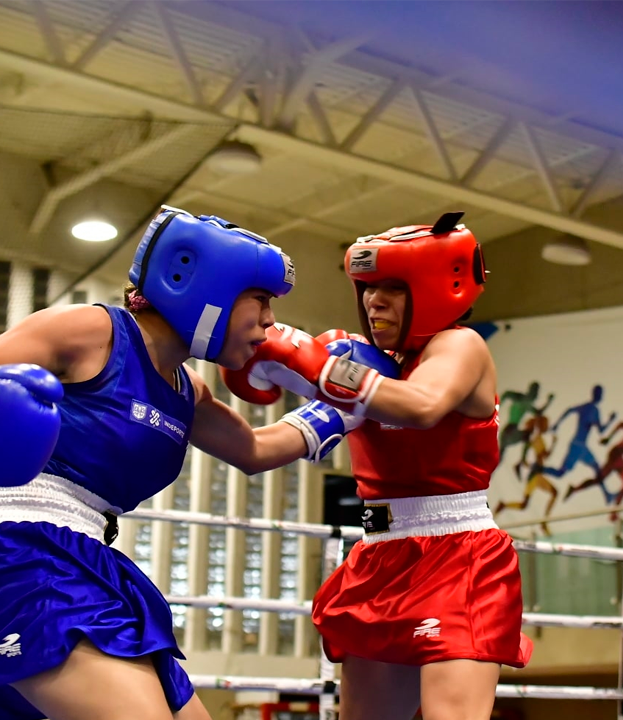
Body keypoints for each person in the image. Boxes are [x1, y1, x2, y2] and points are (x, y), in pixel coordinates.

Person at [0, 208, 397, 720]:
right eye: (259, 300)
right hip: (21, 554)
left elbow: (255, 450)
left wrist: (348, 400)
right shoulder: (94, 330)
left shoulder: (187, 391)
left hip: (94, 563)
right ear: (208, 285)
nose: (270, 322)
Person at [224, 212, 531, 720]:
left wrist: (318, 366)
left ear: (437, 288)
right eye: (367, 287)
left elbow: (422, 405)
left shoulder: (459, 346)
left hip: (458, 555)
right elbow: (256, 452)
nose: (374, 300)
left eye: (393, 287)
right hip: (379, 559)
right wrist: (178, 395)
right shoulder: (366, 372)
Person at [493, 415, 560, 535]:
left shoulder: (533, 440)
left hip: (534, 474)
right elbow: (544, 455)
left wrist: (526, 463)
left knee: (524, 504)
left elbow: (526, 458)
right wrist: (554, 444)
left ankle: (504, 505)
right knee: (554, 492)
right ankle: (544, 523)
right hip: (536, 474)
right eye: (545, 424)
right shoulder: (537, 439)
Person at [543, 384, 616, 480]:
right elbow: (601, 430)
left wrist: (557, 424)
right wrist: (610, 420)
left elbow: (569, 410)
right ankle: (539, 469)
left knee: (595, 468)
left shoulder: (587, 408)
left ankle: (540, 469)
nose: (601, 396)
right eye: (600, 394)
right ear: (596, 395)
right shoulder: (593, 410)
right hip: (578, 446)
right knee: (562, 472)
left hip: (579, 446)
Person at [495, 382, 553, 475]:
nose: (535, 396)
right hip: (509, 431)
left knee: (500, 456)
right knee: (527, 436)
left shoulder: (528, 405)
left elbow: (539, 412)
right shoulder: (521, 398)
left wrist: (549, 401)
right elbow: (507, 394)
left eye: (536, 393)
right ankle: (521, 461)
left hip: (509, 432)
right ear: (530, 391)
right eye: (534, 392)